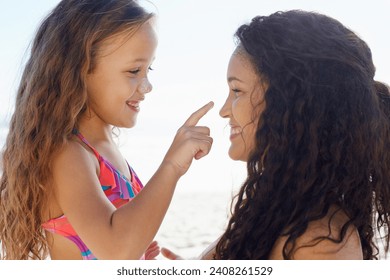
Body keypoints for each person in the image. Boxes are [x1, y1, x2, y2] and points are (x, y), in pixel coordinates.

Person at [162, 10, 390, 260]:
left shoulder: (320, 241)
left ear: (287, 103)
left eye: (237, 90)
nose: (225, 111)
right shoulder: (273, 210)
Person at [0, 0, 213, 260]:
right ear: (81, 69)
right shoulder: (68, 155)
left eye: (149, 69)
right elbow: (116, 251)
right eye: (134, 70)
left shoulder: (104, 149)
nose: (147, 86)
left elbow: (123, 243)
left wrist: (139, 243)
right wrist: (172, 166)